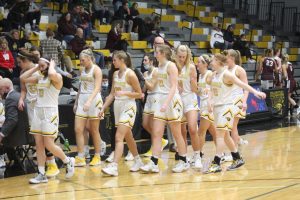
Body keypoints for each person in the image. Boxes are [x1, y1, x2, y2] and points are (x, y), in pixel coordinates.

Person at [206, 53, 266, 173]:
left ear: (218, 61)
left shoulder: (227, 74)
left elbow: (243, 84)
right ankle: (237, 158)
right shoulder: (215, 74)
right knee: (226, 136)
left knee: (219, 135)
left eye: (213, 61)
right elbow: (212, 89)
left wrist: (256, 92)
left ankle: (216, 162)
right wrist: (210, 101)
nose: (211, 63)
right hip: (218, 107)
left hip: (227, 107)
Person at [21, 57, 75, 184]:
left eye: (42, 65)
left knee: (49, 144)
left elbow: (51, 73)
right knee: (39, 144)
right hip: (38, 111)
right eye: (39, 65)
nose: (40, 67)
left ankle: (68, 161)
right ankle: (41, 173)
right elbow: (23, 79)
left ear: (49, 64)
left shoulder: (57, 77)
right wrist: (36, 67)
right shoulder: (39, 77)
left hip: (50, 112)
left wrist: (52, 65)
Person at [140, 44, 189, 173]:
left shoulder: (171, 66)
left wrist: (166, 103)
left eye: (156, 52)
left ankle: (183, 161)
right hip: (160, 100)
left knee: (176, 133)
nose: (155, 54)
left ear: (162, 53)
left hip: (171, 101)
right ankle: (154, 162)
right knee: (156, 133)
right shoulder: (158, 67)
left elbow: (173, 87)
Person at [99, 51, 143, 176]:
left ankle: (114, 166)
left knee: (119, 137)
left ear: (122, 60)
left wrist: (125, 93)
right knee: (128, 136)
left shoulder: (131, 74)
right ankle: (138, 161)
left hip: (128, 106)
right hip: (117, 106)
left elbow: (139, 94)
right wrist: (103, 108)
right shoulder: (114, 74)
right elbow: (112, 93)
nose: (113, 62)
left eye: (114, 60)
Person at [73, 49, 103, 167]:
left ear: (89, 59)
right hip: (82, 100)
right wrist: (76, 102)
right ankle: (81, 157)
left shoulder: (97, 70)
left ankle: (97, 156)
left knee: (93, 129)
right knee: (78, 129)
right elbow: (81, 87)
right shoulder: (82, 70)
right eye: (80, 60)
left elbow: (97, 88)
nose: (81, 62)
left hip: (94, 100)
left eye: (83, 60)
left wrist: (89, 101)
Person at [175, 45, 201, 169]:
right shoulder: (173, 66)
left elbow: (194, 87)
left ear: (187, 56)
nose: (181, 59)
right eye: (179, 56)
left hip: (190, 99)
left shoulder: (191, 67)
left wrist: (202, 91)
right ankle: (184, 159)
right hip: (178, 101)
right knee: (181, 132)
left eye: (183, 57)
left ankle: (197, 156)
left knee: (192, 128)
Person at [142, 54, 168, 157]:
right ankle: (161, 140)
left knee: (153, 125)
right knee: (145, 124)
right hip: (149, 98)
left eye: (145, 60)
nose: (144, 62)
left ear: (151, 61)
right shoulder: (145, 73)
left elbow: (152, 87)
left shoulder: (156, 71)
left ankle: (154, 148)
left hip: (156, 97)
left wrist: (144, 79)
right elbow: (145, 89)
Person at [224, 49, 249, 147]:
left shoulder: (239, 70)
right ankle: (238, 140)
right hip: (227, 100)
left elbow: (246, 88)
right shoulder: (224, 69)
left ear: (232, 58)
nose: (224, 57)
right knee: (229, 127)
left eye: (226, 55)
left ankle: (234, 154)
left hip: (237, 100)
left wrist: (244, 101)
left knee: (233, 127)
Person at [196, 54, 216, 165]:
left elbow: (213, 89)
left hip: (209, 106)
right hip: (203, 105)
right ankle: (222, 153)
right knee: (213, 132)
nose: (197, 64)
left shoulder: (209, 74)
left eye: (199, 62)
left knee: (201, 132)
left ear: (205, 64)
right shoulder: (200, 75)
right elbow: (200, 92)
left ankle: (199, 153)